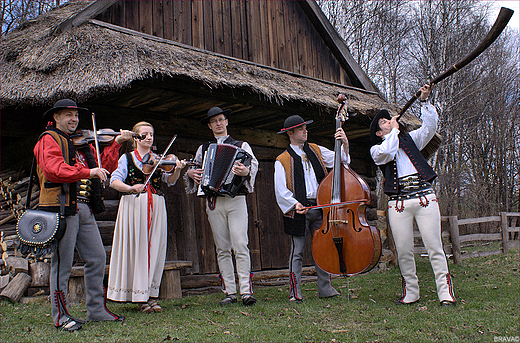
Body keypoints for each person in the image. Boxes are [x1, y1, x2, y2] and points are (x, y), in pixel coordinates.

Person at [34, 99, 131, 332]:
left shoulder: (80, 143)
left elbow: (101, 166)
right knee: (63, 265)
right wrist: (88, 171)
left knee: (97, 257)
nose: (74, 120)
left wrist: (116, 143)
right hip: (62, 207)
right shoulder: (48, 139)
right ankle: (61, 316)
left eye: (76, 116)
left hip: (83, 207)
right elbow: (53, 170)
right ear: (56, 117)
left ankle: (96, 309)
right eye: (68, 115)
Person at [369, 84, 456, 306]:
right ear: (379, 132)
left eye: (390, 119)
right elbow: (388, 151)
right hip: (398, 204)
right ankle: (411, 292)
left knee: (434, 247)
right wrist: (396, 130)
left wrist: (425, 101)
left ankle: (445, 292)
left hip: (425, 198)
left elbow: (430, 127)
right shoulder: (376, 150)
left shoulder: (411, 140)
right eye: (384, 122)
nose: (389, 121)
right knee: (404, 250)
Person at [107, 122, 186, 313]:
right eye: (145, 134)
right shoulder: (127, 158)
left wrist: (177, 169)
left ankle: (151, 295)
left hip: (157, 204)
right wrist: (130, 188)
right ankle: (139, 296)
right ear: (136, 138)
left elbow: (170, 181)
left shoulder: (159, 160)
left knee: (156, 248)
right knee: (140, 249)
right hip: (135, 205)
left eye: (151, 134)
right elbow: (114, 181)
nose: (149, 137)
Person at [185, 107, 258, 306]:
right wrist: (191, 174)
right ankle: (229, 292)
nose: (218, 123)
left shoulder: (241, 145)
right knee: (222, 247)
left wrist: (244, 171)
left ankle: (246, 291)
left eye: (221, 120)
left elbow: (253, 166)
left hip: (236, 199)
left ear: (226, 122)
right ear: (210, 126)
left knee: (240, 244)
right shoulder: (204, 147)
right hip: (213, 200)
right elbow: (195, 167)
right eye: (214, 121)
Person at [274, 115, 350, 302]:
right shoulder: (282, 159)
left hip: (320, 208)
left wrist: (345, 144)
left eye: (305, 128)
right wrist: (294, 204)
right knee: (297, 251)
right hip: (299, 210)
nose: (305, 131)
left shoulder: (316, 150)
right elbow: (280, 189)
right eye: (300, 129)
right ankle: (295, 292)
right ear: (290, 133)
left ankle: (326, 288)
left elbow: (341, 160)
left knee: (322, 249)